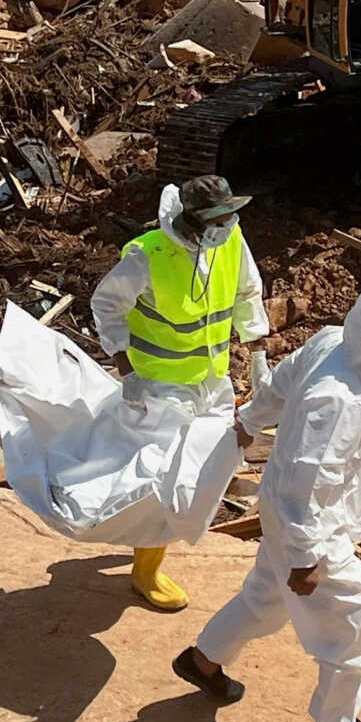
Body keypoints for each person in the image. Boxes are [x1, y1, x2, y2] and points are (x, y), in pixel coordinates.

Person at [171, 279, 361, 722]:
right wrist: (305, 557)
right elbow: (302, 480)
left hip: (297, 513)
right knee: (348, 619)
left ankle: (203, 661)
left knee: (266, 597)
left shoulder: (337, 344)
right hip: (310, 521)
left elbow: (281, 381)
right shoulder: (339, 399)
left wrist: (250, 418)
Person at [90, 174, 268, 612]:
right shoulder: (148, 254)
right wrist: (126, 368)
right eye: (218, 218)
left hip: (211, 376)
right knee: (167, 481)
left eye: (231, 215)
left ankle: (145, 542)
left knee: (207, 468)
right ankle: (146, 570)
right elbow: (106, 305)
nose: (227, 224)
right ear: (192, 219)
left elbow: (247, 292)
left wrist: (259, 353)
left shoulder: (229, 238)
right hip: (161, 383)